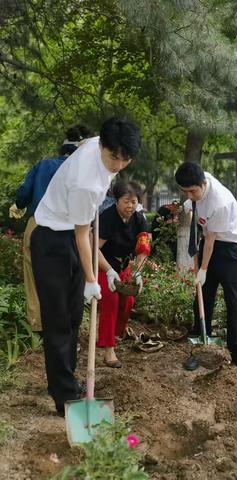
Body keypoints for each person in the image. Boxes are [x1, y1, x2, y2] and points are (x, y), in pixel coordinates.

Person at [30, 117, 141, 415]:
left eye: (124, 158)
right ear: (102, 146)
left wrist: (95, 272)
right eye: (113, 157)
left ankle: (68, 380)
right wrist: (94, 277)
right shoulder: (85, 183)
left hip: (71, 235)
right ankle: (65, 398)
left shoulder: (98, 146)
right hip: (53, 240)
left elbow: (85, 229)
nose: (118, 164)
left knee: (73, 318)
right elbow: (83, 234)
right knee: (58, 322)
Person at [10, 125, 93, 332]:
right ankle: (66, 327)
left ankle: (39, 325)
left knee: (35, 276)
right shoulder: (84, 171)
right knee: (70, 280)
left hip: (38, 226)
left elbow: (23, 193)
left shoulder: (43, 165)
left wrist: (18, 206)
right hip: (75, 229)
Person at [175, 162, 237, 370]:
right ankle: (200, 347)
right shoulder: (199, 181)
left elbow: (210, 240)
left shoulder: (220, 202)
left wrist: (203, 269)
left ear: (203, 183)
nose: (190, 195)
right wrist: (189, 205)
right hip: (211, 242)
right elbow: (204, 235)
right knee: (202, 295)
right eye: (186, 192)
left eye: (192, 191)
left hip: (231, 248)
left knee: (234, 299)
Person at [97, 180, 150, 368]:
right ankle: (108, 349)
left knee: (128, 301)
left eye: (134, 201)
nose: (130, 206)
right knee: (110, 301)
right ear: (117, 200)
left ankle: (116, 334)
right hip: (104, 265)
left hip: (124, 265)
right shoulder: (107, 217)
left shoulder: (139, 218)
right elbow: (94, 249)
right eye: (126, 201)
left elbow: (143, 248)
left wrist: (137, 273)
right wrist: (109, 271)